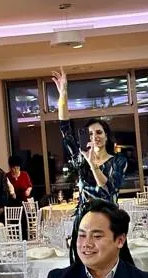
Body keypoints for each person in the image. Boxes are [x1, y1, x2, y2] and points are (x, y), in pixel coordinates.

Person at [51, 68, 128, 217]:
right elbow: (65, 128)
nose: (95, 137)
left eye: (99, 132)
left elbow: (109, 189)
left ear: (106, 136)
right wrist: (63, 95)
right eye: (90, 134)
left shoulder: (118, 161)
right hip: (84, 220)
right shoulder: (81, 159)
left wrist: (93, 165)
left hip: (108, 220)